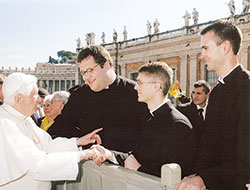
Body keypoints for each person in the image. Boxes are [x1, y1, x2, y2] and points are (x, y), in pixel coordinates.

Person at [175, 21, 250, 190]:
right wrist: (197, 174)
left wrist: (205, 179)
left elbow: (246, 158)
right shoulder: (216, 92)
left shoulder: (247, 87)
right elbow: (211, 145)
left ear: (225, 47)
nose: (202, 56)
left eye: (205, 48)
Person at [0, 72, 103, 190]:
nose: (40, 101)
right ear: (19, 99)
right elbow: (37, 165)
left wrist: (78, 142)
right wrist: (82, 155)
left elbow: (47, 146)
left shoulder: (24, 119)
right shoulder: (4, 124)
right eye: (34, 96)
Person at [93, 62, 195, 177]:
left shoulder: (178, 125)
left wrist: (140, 169)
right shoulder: (151, 119)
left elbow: (176, 176)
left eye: (140, 82)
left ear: (156, 86)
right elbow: (135, 159)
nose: (136, 87)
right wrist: (108, 154)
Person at [49, 45, 149, 152]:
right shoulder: (79, 95)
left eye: (90, 70)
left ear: (105, 65)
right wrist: (79, 140)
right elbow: (57, 132)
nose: (86, 78)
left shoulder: (138, 93)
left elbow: (149, 139)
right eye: (83, 73)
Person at [177, 80, 211, 153]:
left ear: (207, 95)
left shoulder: (214, 109)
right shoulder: (184, 109)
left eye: (198, 93)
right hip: (192, 153)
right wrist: (177, 92)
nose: (195, 96)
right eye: (193, 93)